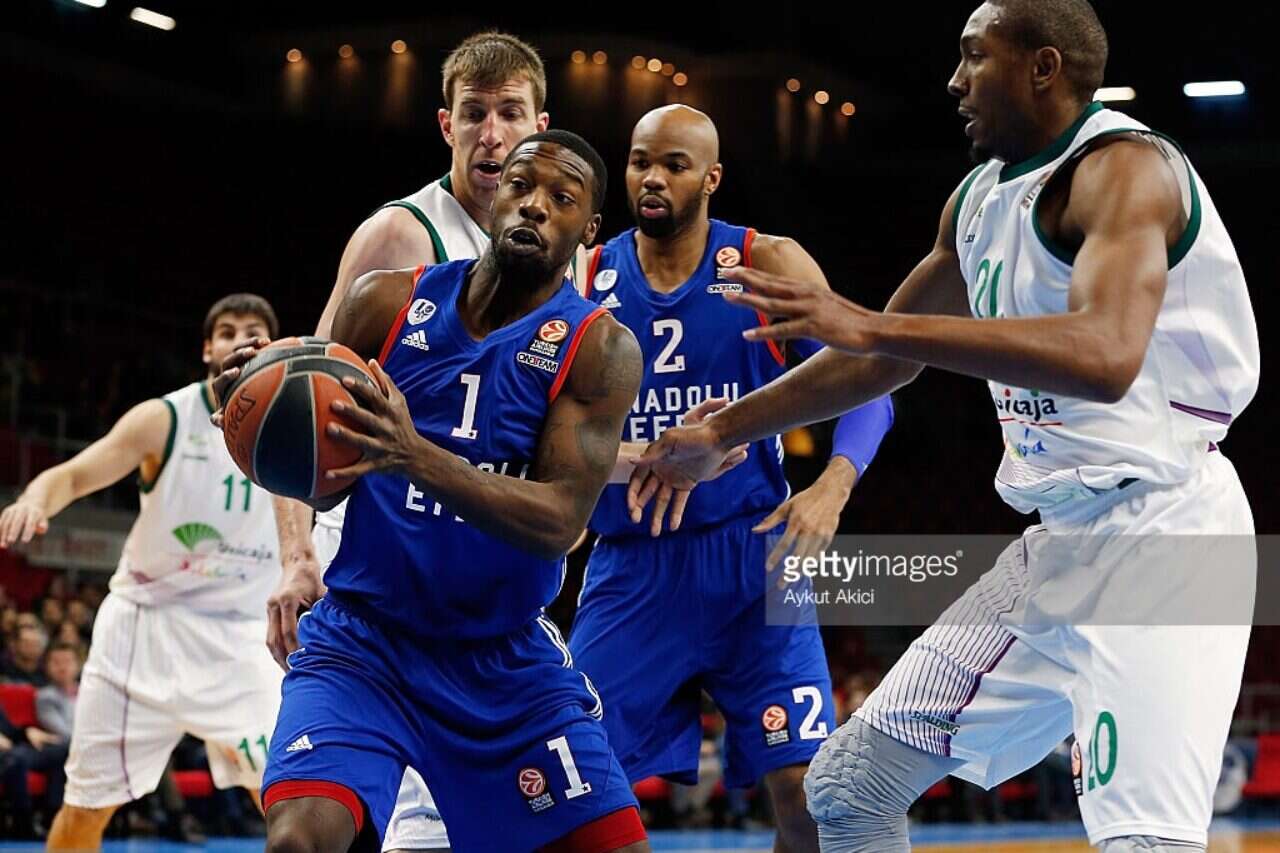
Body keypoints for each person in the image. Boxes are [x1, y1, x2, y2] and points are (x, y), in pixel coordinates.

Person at [630, 1, 1259, 850]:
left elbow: (1107, 353)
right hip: (1060, 543)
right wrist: (721, 431)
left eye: (974, 57)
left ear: (1042, 67)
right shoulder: (978, 199)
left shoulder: (1126, 169)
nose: (955, 81)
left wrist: (870, 324)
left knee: (1144, 840)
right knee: (846, 790)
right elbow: (877, 362)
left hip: (1169, 537)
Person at [242, 131, 650, 853]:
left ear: (589, 230)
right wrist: (262, 420)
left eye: (561, 198)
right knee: (298, 841)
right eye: (521, 185)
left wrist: (415, 456)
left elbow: (559, 519)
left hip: (501, 662)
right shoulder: (385, 302)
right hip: (365, 643)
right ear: (494, 199)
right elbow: (322, 473)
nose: (534, 205)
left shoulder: (599, 348)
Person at [567, 105, 893, 852]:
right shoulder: (583, 276)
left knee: (812, 800)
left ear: (712, 178)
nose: (652, 178)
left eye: (674, 164)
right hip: (633, 567)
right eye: (640, 161)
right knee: (574, 791)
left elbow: (869, 380)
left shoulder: (767, 262)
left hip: (753, 562)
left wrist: (832, 485)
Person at [268, 32, 557, 852]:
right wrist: (296, 557)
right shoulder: (399, 238)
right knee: (345, 824)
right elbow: (301, 405)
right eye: (474, 114)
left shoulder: (557, 258)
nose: (492, 134)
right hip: (376, 580)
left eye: (510, 113)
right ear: (445, 124)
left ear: (540, 125)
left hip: (485, 597)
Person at [0, 294, 286, 851]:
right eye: (227, 331)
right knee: (86, 810)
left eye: (252, 329)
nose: (239, 339)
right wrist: (35, 499)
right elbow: (75, 475)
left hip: (241, 639)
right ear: (208, 349)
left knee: (291, 799)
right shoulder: (165, 418)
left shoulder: (296, 416)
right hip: (145, 630)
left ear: (270, 343)